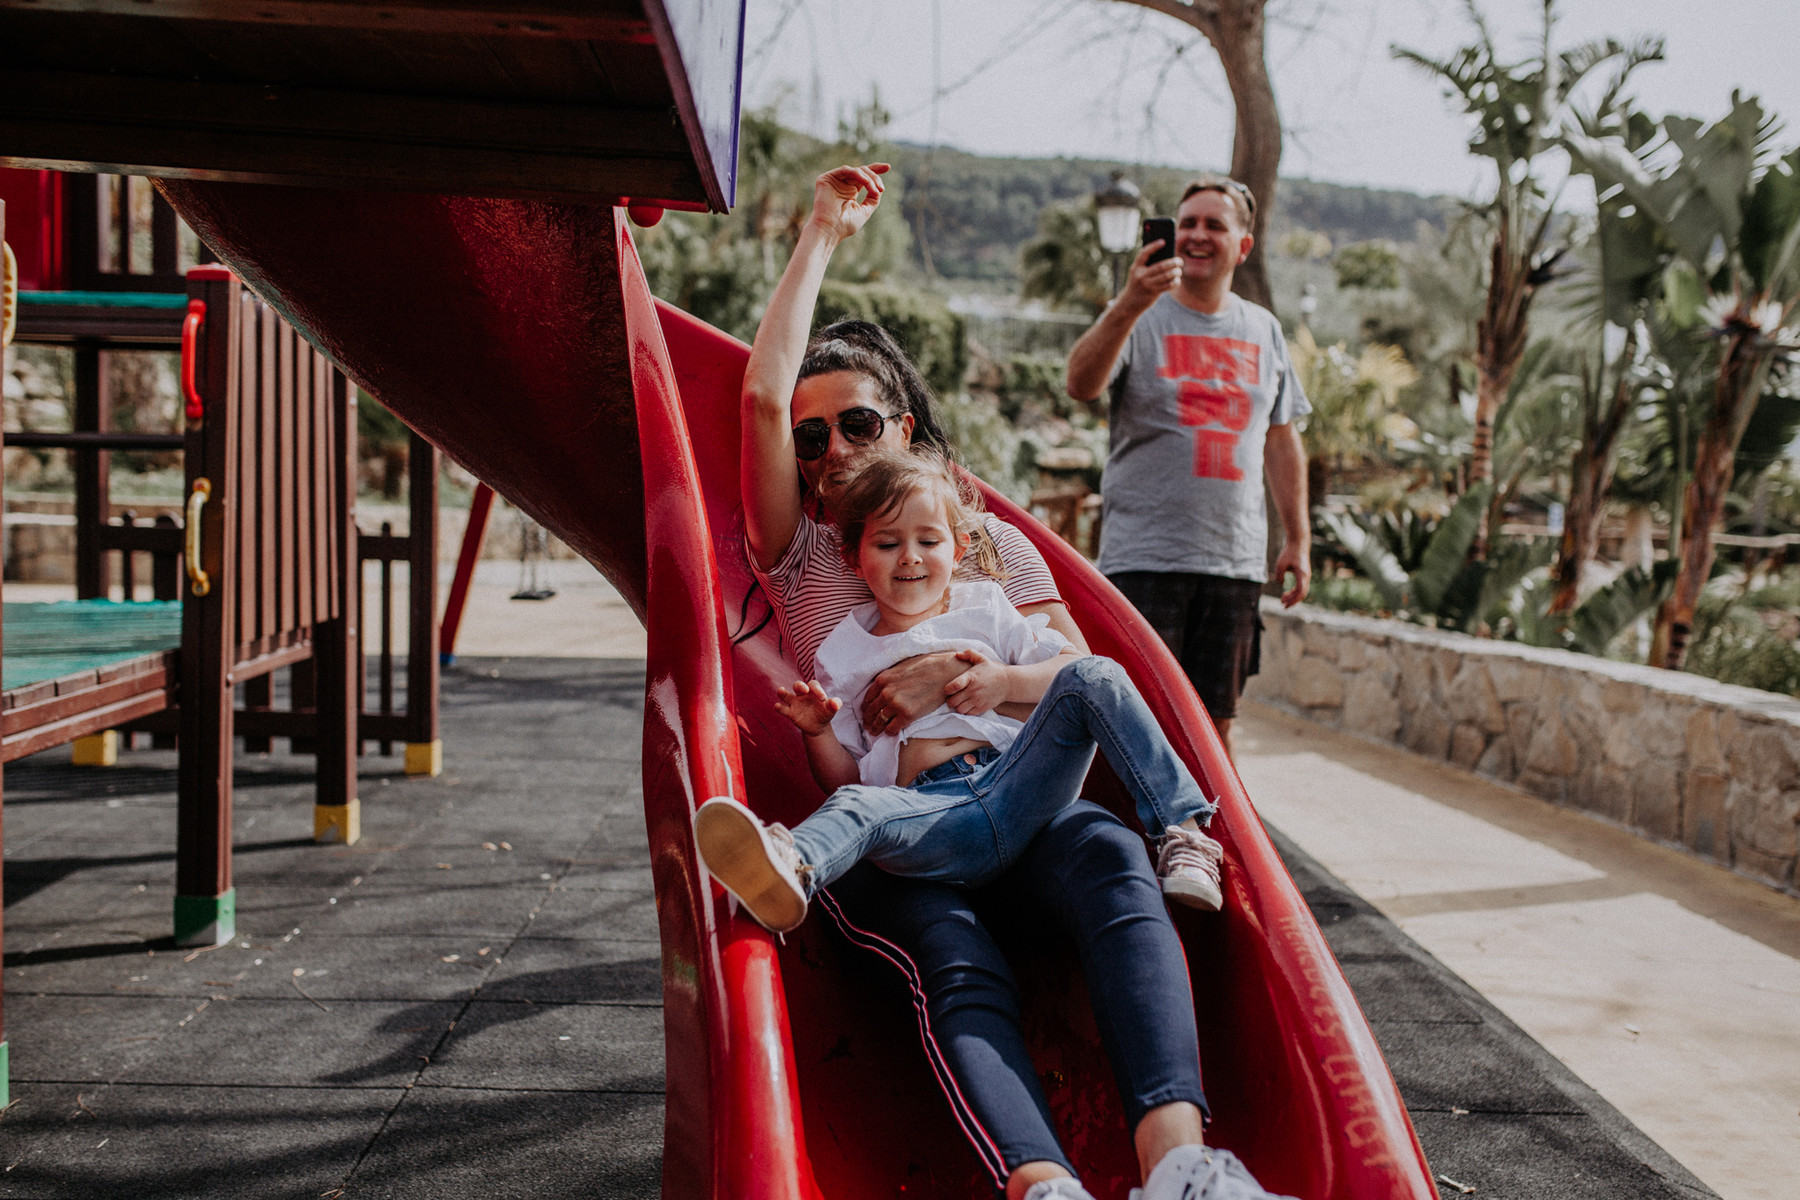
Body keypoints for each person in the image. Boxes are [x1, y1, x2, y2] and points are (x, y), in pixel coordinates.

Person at [735, 162, 1294, 1200]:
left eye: (857, 424)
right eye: (812, 439)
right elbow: (763, 396)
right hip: (907, 815)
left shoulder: (985, 549)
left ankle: (1179, 1170)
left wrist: (960, 671)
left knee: (1111, 858)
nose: (828, 453)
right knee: (952, 951)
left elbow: (1078, 675)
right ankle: (1043, 1184)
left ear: (905, 426)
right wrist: (820, 232)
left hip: (1019, 795)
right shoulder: (807, 552)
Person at [696, 446, 1224, 933]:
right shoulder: (842, 653)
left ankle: (1185, 832)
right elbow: (843, 777)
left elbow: (1068, 670)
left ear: (958, 547)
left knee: (1097, 675)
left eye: (929, 540)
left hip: (1020, 785)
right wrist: (817, 733)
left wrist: (1004, 680)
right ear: (855, 558)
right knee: (859, 803)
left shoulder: (986, 609)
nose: (911, 556)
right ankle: (790, 867)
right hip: (927, 816)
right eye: (887, 542)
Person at [1065, 176, 1312, 760]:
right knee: (1130, 723)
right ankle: (1130, 848)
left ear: (1243, 246)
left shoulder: (1264, 329)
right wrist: (1129, 302)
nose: (1198, 235)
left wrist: (1298, 539)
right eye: (1188, 223)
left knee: (1214, 726)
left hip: (1233, 562)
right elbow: (1080, 384)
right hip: (1143, 558)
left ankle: (1205, 845)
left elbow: (1281, 438)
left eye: (1214, 225)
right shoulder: (1137, 316)